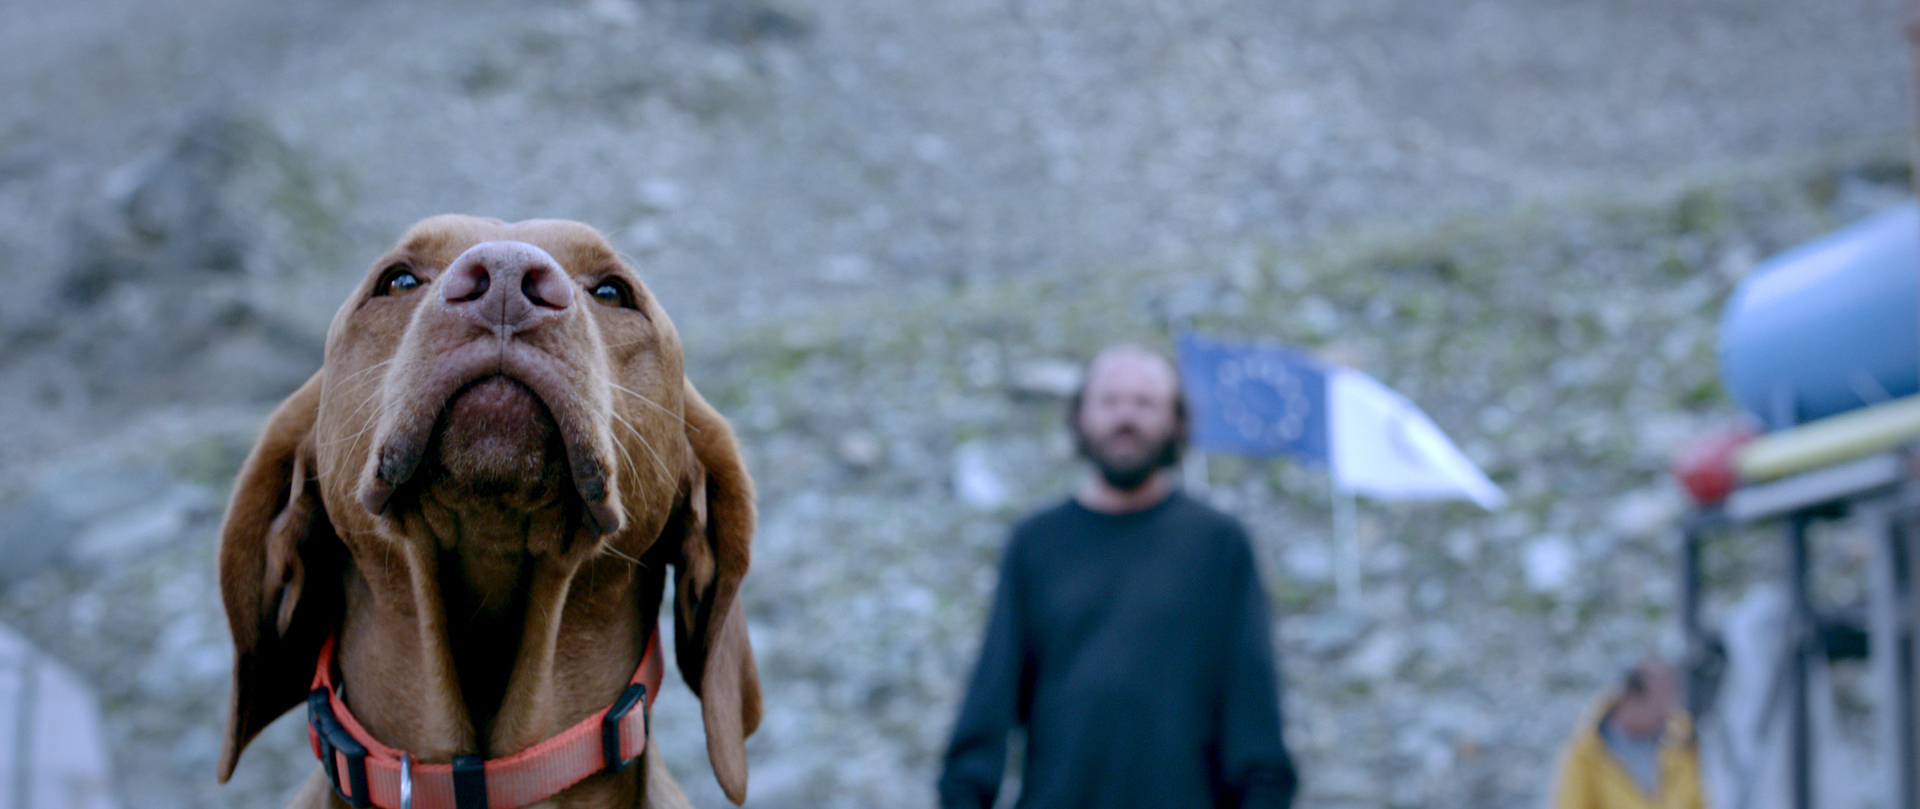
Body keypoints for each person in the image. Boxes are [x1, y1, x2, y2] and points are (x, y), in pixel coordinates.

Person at [938, 343, 1299, 809]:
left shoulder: (1218, 545)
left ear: (1177, 421)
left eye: (1145, 402)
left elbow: (1253, 710)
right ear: (1080, 417)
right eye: (1109, 401)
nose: (1125, 418)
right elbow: (990, 701)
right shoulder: (1036, 543)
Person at [1551, 654, 1707, 809]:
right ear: (1630, 698)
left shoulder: (1681, 740)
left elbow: (1699, 798)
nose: (1666, 718)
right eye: (1658, 709)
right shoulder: (1585, 756)